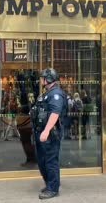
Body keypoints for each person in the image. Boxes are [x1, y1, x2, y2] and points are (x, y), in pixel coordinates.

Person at [31, 68, 66, 200]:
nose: (41, 80)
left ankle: (53, 188)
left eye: (43, 77)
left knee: (50, 161)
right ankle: (50, 184)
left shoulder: (55, 94)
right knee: (42, 161)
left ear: (48, 79)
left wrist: (46, 131)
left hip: (51, 134)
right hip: (42, 132)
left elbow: (55, 113)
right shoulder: (47, 93)